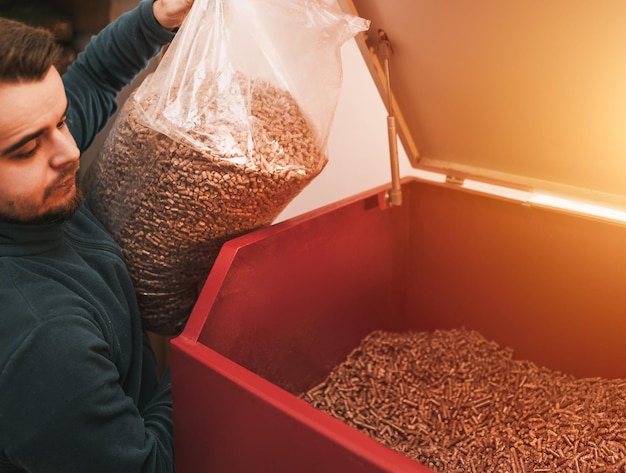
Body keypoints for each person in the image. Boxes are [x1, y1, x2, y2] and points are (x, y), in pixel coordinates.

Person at [0, 0, 193, 471]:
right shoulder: (42, 343)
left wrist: (156, 18)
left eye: (62, 120)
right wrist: (206, 350)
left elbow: (93, 77)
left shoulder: (30, 184)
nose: (69, 152)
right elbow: (150, 465)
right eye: (28, 148)